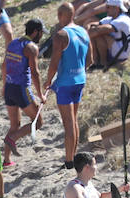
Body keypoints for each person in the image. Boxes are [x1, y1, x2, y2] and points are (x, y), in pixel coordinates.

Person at [43, 2, 88, 170]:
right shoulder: (83, 31)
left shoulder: (60, 35)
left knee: (68, 123)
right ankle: (73, 156)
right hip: (80, 79)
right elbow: (89, 58)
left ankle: (69, 162)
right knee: (73, 120)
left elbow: (54, 63)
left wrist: (48, 81)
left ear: (61, 15)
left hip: (65, 83)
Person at [1, 18, 43, 167]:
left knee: (14, 125)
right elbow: (35, 73)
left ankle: (6, 160)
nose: (42, 36)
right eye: (41, 32)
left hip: (9, 88)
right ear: (36, 32)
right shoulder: (31, 47)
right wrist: (41, 95)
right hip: (21, 89)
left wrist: (4, 86)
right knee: (37, 122)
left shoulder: (13, 43)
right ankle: (12, 139)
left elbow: (4, 66)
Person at [87, 0, 130, 70]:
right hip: (116, 48)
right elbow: (92, 24)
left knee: (99, 35)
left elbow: (99, 30)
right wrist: (89, 26)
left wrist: (85, 34)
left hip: (123, 53)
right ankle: (95, 61)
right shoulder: (110, 18)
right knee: (94, 33)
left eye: (108, 7)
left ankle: (102, 63)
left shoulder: (122, 20)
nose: (106, 9)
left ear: (116, 8)